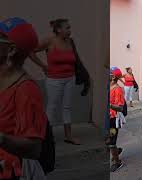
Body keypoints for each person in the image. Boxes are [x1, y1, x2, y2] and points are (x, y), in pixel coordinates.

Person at [0, 17, 47, 179]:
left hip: (9, 170)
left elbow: (33, 149)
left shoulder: (26, 90)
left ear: (11, 50)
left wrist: (2, 138)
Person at [29, 19, 80, 145]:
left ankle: (68, 135)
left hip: (70, 78)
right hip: (54, 79)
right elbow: (31, 52)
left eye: (69, 28)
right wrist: (43, 66)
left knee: (67, 107)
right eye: (67, 28)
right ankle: (47, 137)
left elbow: (75, 59)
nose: (69, 30)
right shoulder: (49, 41)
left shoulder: (70, 42)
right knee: (52, 106)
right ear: (58, 30)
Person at [108, 67, 125, 172]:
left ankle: (117, 162)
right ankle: (116, 150)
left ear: (113, 77)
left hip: (113, 119)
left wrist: (109, 105)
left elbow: (120, 107)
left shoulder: (118, 89)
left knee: (111, 142)